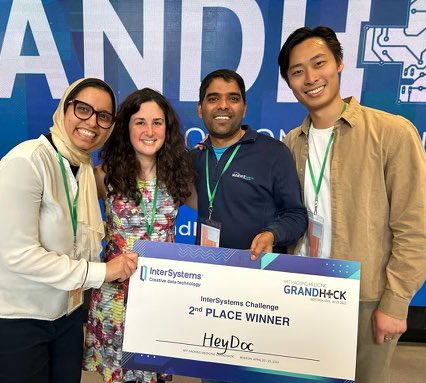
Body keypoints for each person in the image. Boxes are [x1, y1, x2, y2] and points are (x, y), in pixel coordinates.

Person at [278, 26, 426, 383]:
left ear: (339, 64)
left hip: (364, 298)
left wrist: (394, 303)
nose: (311, 78)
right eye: (297, 72)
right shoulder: (290, 143)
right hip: (303, 292)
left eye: (319, 64)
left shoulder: (391, 132)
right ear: (289, 81)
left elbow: (414, 226)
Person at [0, 78, 138, 383]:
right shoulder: (28, 162)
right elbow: (17, 255)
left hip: (68, 315)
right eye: (83, 109)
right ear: (64, 108)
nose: (92, 122)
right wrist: (103, 272)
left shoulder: (85, 168)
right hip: (20, 320)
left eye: (103, 116)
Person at [192, 69, 307, 383]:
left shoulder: (273, 154)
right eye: (213, 98)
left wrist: (272, 234)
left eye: (233, 98)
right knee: (213, 372)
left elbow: (296, 216)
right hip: (210, 288)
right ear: (201, 109)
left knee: (256, 373)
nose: (223, 106)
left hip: (260, 288)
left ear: (243, 107)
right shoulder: (195, 158)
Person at [83, 88, 196, 383]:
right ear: (126, 128)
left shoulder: (179, 175)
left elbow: (218, 207)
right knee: (118, 376)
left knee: (156, 376)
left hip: (161, 292)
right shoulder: (104, 175)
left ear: (167, 129)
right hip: (116, 295)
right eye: (140, 122)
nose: (149, 130)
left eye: (157, 122)